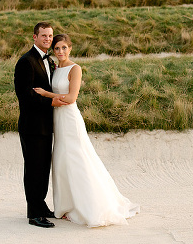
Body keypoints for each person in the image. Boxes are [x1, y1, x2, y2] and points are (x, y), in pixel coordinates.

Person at [34, 34, 139, 227]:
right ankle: (68, 205)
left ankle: (88, 205)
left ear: (70, 48)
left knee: (78, 158)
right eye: (57, 48)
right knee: (62, 160)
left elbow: (72, 98)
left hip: (70, 119)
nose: (60, 52)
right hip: (57, 119)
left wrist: (46, 94)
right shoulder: (55, 68)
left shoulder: (75, 69)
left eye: (64, 48)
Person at [14, 22, 66, 228]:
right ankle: (34, 213)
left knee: (43, 168)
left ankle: (41, 205)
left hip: (46, 124)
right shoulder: (26, 62)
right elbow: (24, 96)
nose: (47, 39)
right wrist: (50, 101)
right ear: (34, 37)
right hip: (32, 125)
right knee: (34, 168)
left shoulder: (49, 60)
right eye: (43, 35)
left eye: (50, 36)